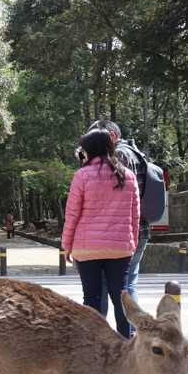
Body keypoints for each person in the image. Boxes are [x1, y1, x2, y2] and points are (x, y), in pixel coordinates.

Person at [62, 128, 140, 338]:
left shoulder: (82, 175)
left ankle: (93, 345)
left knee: (91, 298)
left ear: (90, 149)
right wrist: (131, 244)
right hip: (119, 248)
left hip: (87, 248)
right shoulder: (128, 176)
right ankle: (126, 344)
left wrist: (67, 246)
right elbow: (135, 217)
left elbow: (72, 216)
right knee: (121, 297)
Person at [91, 119, 150, 309]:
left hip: (122, 233)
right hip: (138, 229)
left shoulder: (119, 156)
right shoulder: (138, 154)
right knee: (128, 285)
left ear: (112, 136)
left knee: (103, 285)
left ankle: (104, 335)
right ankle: (132, 334)